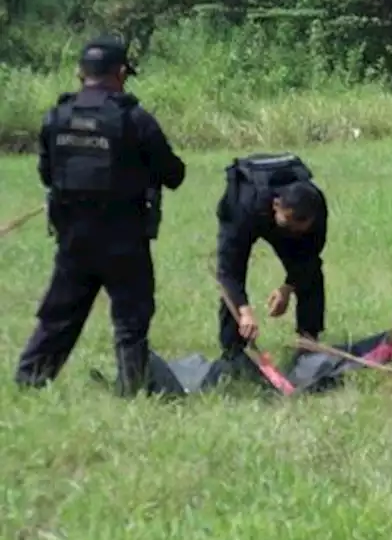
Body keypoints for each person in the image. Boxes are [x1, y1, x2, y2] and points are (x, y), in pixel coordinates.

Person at [15, 35, 186, 395]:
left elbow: (47, 175)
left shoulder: (57, 116)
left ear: (81, 73)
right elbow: (174, 174)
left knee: (59, 315)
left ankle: (28, 382)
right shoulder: (134, 119)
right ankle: (132, 387)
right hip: (124, 237)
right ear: (121, 73)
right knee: (131, 318)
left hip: (73, 236)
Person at [214, 153, 327, 363]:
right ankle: (233, 352)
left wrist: (288, 287)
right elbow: (228, 271)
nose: (295, 231)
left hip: (281, 217)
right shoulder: (241, 206)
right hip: (248, 211)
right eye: (289, 224)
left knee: (310, 270)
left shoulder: (316, 207)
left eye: (301, 228)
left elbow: (310, 257)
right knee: (232, 286)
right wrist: (244, 310)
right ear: (276, 206)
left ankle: (309, 341)